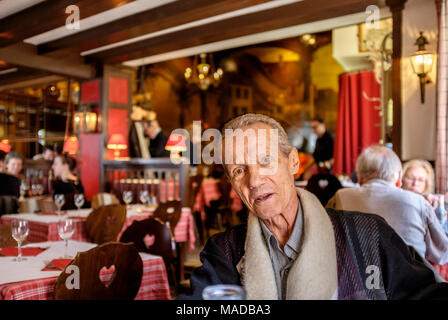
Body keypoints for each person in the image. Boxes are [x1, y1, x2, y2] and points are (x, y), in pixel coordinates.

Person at [185, 113, 448, 300]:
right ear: (232, 183)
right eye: (239, 170)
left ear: (293, 163)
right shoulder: (225, 253)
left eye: (266, 160)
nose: (254, 180)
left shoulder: (369, 234)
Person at [327, 145, 448, 266]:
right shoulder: (420, 202)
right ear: (399, 177)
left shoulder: (339, 198)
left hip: (354, 280)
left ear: (359, 177)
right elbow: (442, 254)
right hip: (410, 281)